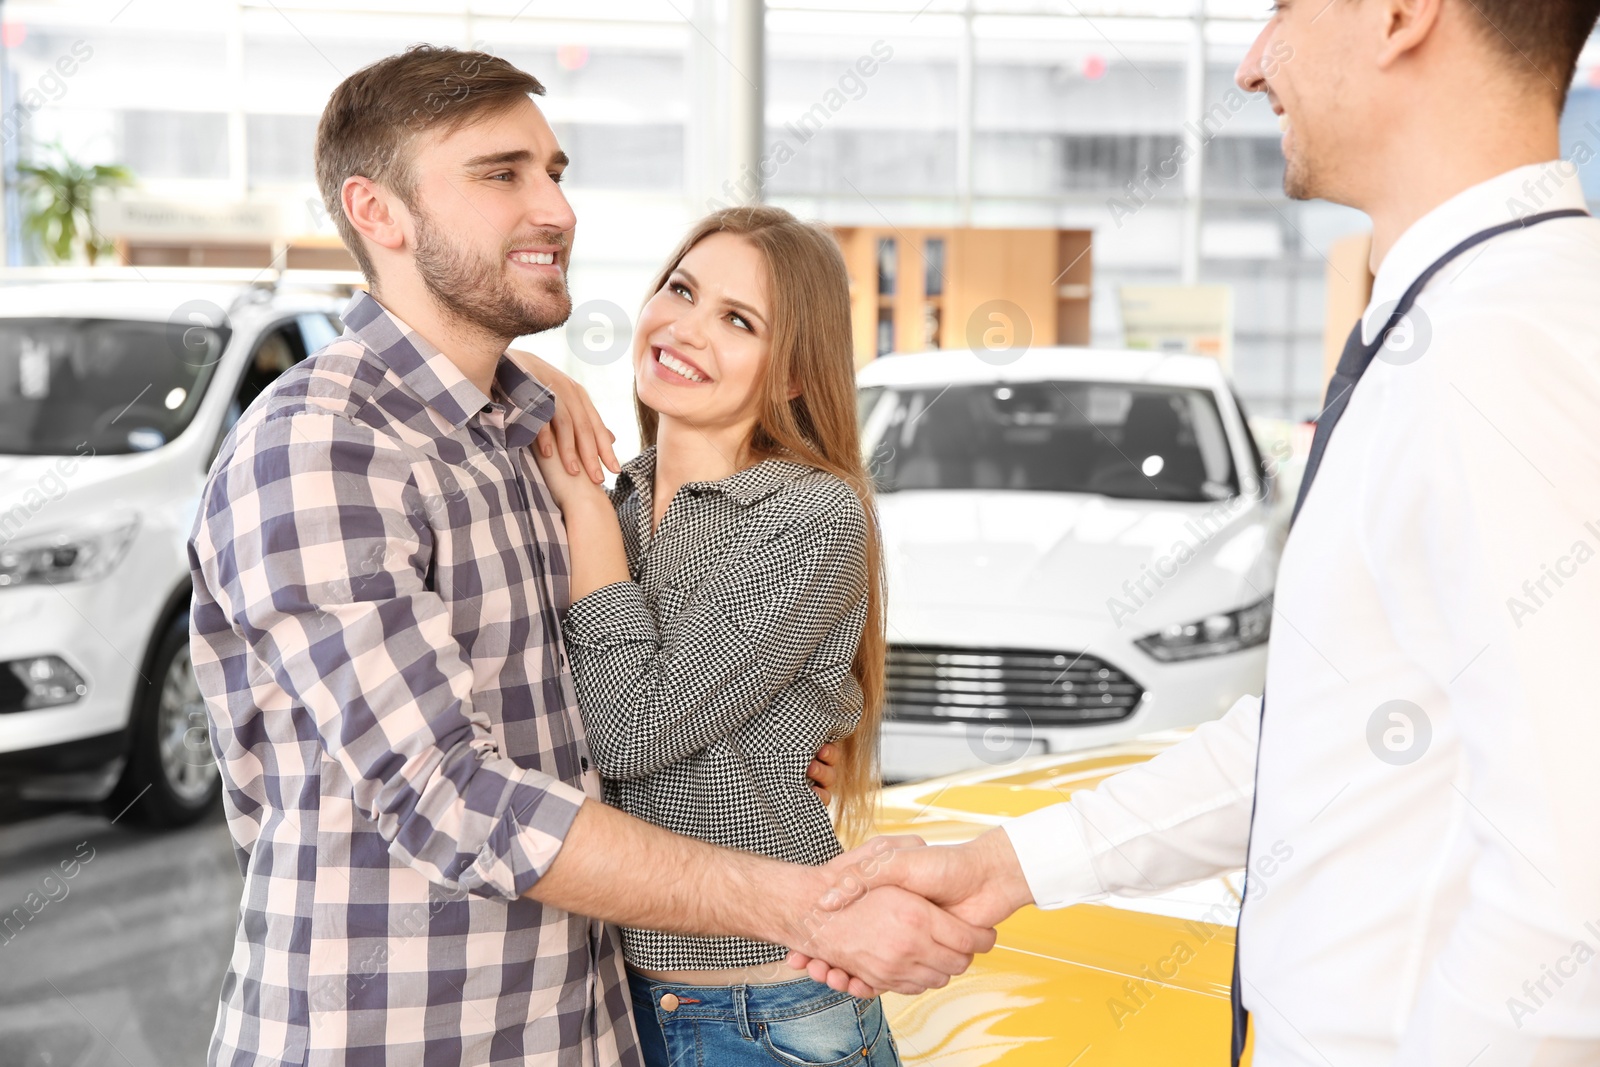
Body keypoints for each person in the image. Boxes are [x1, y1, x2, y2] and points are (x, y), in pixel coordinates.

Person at [802, 1, 1600, 1064]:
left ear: (1400, 15)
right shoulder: (1463, 323)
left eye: (1280, 11)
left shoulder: (1500, 347)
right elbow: (1334, 731)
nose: (1251, 64)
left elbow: (1573, 880)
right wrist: (1005, 864)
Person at [187, 45, 992, 1067]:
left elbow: (584, 717)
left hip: (592, 1019)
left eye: (554, 172)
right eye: (500, 173)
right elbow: (450, 793)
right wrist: (800, 898)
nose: (557, 210)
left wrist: (754, 757)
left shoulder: (531, 446)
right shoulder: (323, 446)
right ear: (378, 213)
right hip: (396, 1030)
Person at [533, 205, 899, 1067]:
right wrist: (523, 368)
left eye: (738, 320)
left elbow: (631, 729)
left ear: (796, 374)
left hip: (768, 1008)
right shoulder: (620, 496)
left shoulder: (810, 514)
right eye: (682, 291)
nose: (686, 329)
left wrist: (582, 506)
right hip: (611, 994)